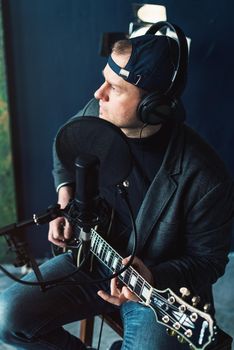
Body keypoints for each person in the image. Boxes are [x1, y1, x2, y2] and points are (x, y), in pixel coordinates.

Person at [0, 22, 233, 350]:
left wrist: (152, 277)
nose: (99, 94)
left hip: (154, 291)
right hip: (89, 261)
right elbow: (63, 147)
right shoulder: (99, 115)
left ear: (153, 106)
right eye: (103, 81)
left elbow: (208, 262)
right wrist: (66, 194)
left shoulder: (205, 178)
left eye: (116, 88)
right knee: (7, 316)